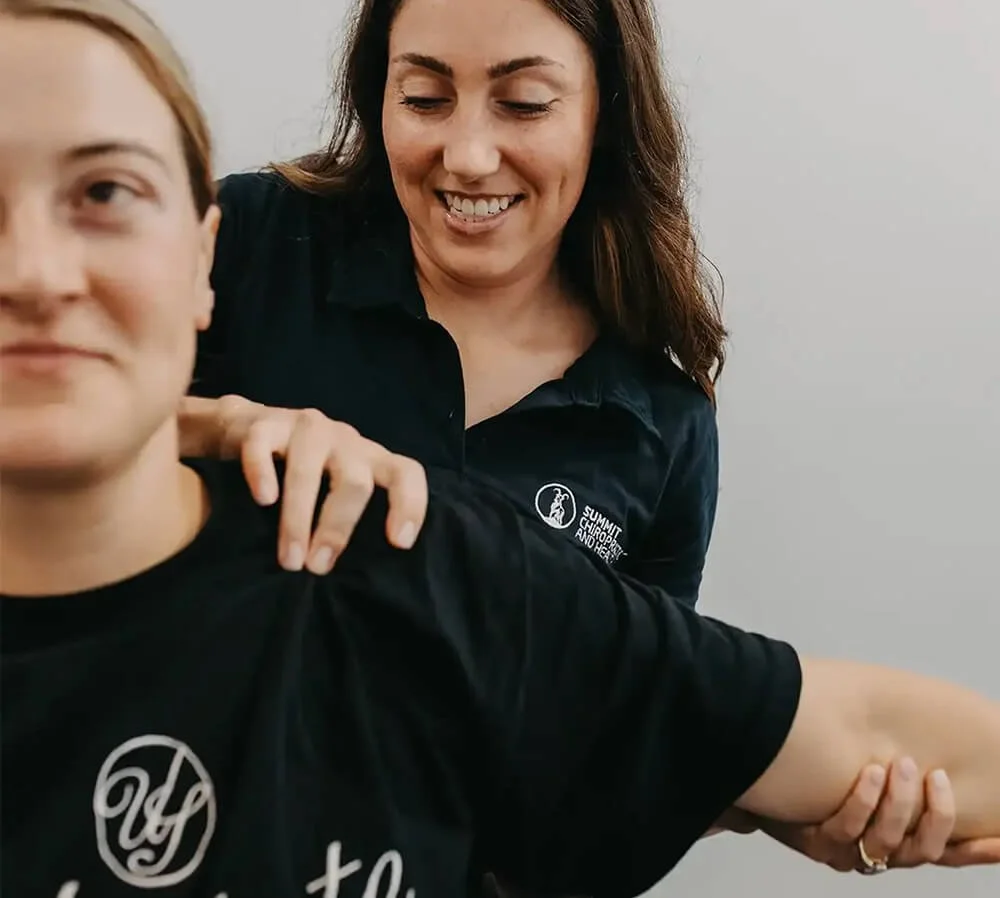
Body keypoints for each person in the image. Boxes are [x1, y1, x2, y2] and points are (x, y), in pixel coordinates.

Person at [3, 5, 1000, 897]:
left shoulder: (647, 430)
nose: (469, 155)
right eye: (424, 96)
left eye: (523, 103)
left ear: (601, 112)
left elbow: (608, 732)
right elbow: (59, 421)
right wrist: (213, 422)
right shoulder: (259, 242)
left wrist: (759, 796)